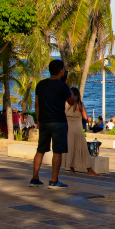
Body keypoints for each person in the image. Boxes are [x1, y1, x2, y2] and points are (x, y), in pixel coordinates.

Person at [31, 60, 75, 189]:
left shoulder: (41, 84)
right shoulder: (62, 86)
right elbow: (72, 102)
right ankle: (54, 180)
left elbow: (37, 104)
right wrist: (66, 85)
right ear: (61, 71)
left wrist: (38, 120)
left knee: (40, 150)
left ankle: (34, 178)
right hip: (59, 122)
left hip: (44, 121)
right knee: (57, 151)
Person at [63, 87, 98, 176]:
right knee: (82, 148)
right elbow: (85, 117)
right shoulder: (80, 104)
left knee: (70, 148)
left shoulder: (65, 104)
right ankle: (89, 169)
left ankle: (72, 168)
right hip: (78, 129)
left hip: (68, 128)